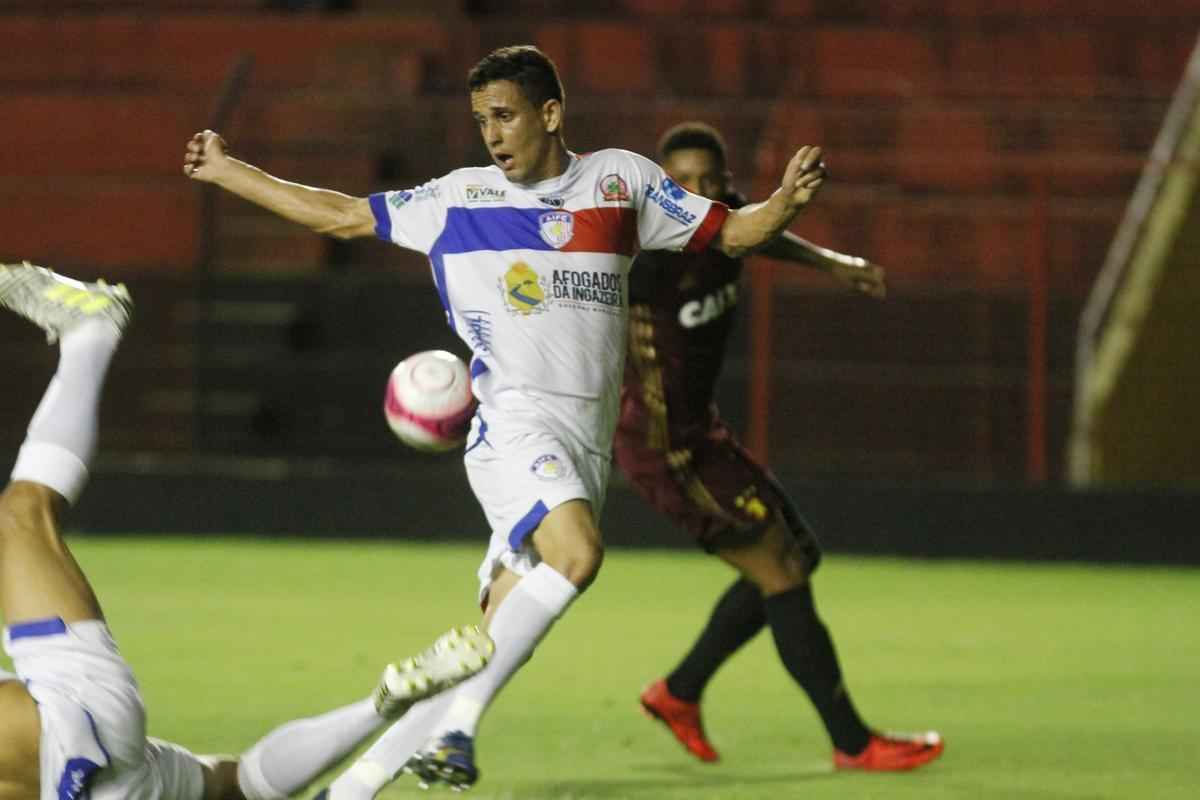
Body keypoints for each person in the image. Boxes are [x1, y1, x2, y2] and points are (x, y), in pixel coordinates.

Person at [183, 45, 827, 797]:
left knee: (483, 646)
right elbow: (343, 215)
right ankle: (458, 732)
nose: (491, 133)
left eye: (504, 116)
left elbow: (733, 232)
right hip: (514, 427)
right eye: (481, 119)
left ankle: (351, 789)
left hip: (584, 448)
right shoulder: (459, 200)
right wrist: (229, 172)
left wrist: (784, 203)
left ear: (550, 114)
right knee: (578, 557)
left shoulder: (621, 182)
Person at [0, 262, 494, 800]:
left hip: (101, 765)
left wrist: (382, 706)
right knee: (23, 515)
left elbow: (245, 784)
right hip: (76, 721)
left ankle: (90, 335)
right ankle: (91, 332)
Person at [615, 122, 944, 771]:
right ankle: (854, 744)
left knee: (800, 556)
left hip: (699, 433)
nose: (700, 192)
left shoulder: (728, 222)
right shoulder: (644, 257)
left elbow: (760, 230)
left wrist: (831, 262)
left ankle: (679, 693)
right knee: (782, 572)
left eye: (711, 181)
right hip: (664, 448)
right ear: (660, 190)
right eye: (682, 183)